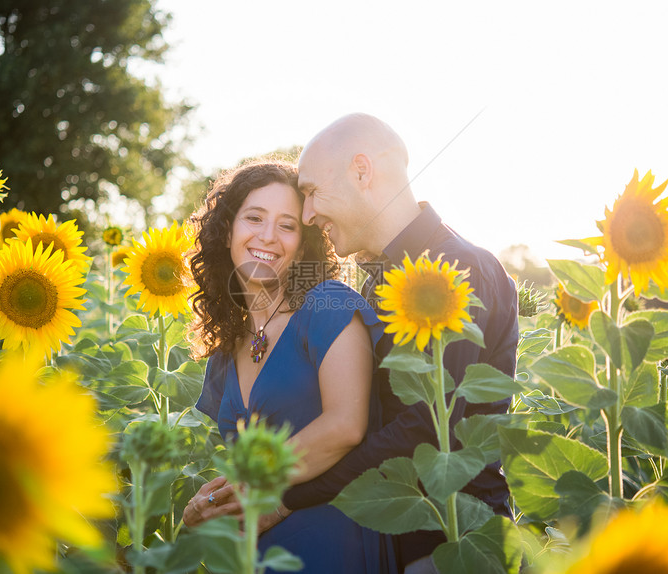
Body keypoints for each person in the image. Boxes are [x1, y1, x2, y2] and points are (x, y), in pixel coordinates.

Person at [285, 113, 520, 574]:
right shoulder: (376, 280)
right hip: (385, 542)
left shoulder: (456, 269)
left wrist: (291, 496)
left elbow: (428, 426)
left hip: (453, 543)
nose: (307, 215)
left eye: (311, 192)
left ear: (361, 171)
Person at [183, 160, 396, 573]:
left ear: (304, 243)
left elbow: (345, 426)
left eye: (287, 225)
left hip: (334, 545)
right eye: (254, 218)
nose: (267, 236)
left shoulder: (327, 306)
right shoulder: (227, 347)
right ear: (228, 229)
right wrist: (205, 506)